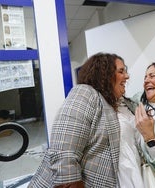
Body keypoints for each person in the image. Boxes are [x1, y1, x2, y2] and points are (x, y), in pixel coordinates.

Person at [28, 52, 129, 188]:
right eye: (121, 71)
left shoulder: (109, 102)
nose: (127, 76)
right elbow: (63, 153)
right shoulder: (85, 93)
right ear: (104, 74)